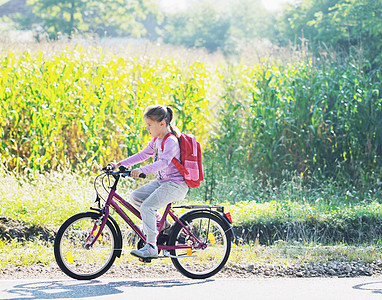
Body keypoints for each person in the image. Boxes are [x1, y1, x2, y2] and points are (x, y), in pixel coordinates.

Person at [108, 105, 189, 259]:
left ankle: (151, 246)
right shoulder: (156, 140)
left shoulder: (170, 141)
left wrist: (143, 170)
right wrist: (119, 164)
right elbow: (142, 155)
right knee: (136, 198)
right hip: (162, 182)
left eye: (149, 125)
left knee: (147, 206)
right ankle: (164, 228)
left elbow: (164, 162)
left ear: (162, 124)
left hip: (175, 185)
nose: (147, 128)